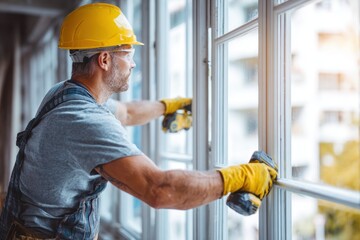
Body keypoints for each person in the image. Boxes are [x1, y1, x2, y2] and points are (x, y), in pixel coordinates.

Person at [0, 3, 277, 240]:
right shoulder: (83, 121)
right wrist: (238, 177)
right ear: (105, 59)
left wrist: (168, 106)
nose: (133, 63)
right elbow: (159, 190)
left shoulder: (65, 94)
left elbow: (127, 113)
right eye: (128, 53)